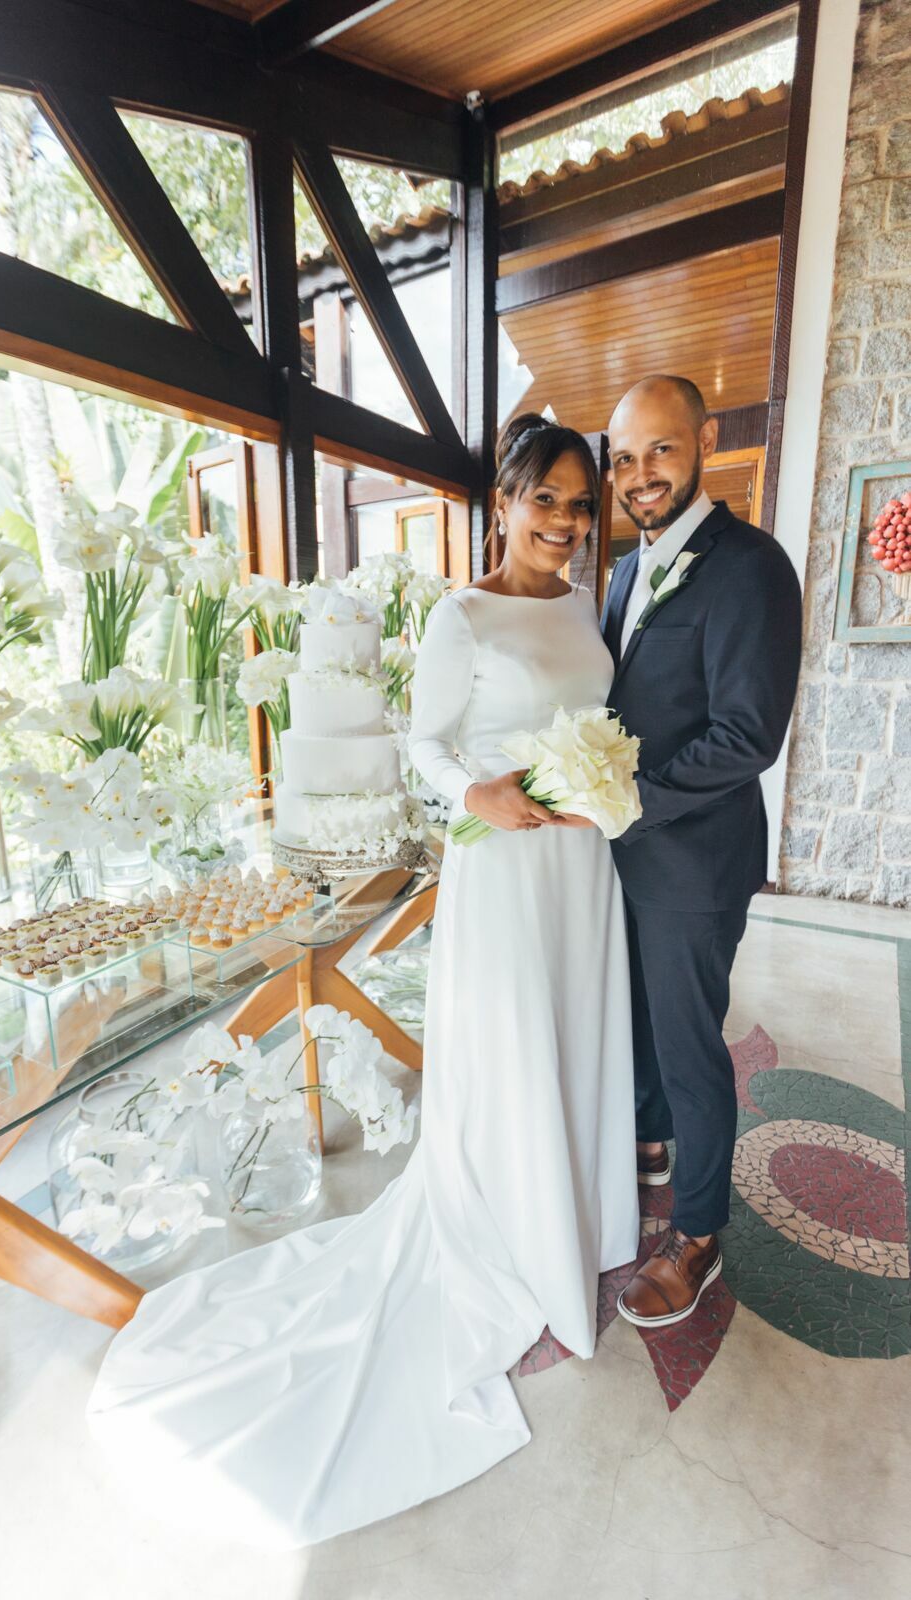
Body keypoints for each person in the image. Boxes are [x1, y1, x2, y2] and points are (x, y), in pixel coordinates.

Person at [87, 413, 640, 1546]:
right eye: (546, 500)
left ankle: (574, 1216)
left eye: (582, 505)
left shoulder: (587, 607)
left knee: (576, 1035)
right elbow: (425, 742)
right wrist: (477, 795)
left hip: (581, 865)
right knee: (513, 1044)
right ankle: (510, 1229)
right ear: (505, 501)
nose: (566, 523)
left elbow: (596, 719)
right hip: (504, 864)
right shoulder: (460, 614)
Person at [601, 375, 802, 1329]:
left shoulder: (750, 565)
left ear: (706, 441)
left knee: (688, 1041)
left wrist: (627, 802)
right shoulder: (621, 571)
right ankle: (649, 1141)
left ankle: (697, 1232)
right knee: (636, 1011)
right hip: (622, 850)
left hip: (695, 859)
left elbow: (746, 735)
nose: (641, 473)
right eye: (624, 457)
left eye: (661, 449)